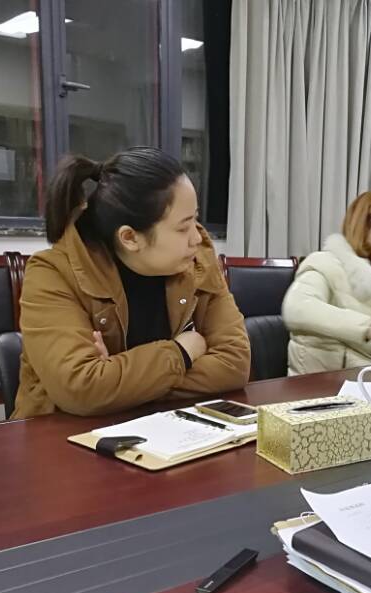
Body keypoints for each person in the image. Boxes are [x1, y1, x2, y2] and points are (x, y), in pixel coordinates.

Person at [14, 147, 250, 418]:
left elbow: (234, 364)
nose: (197, 238)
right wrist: (182, 352)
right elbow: (82, 388)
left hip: (164, 428)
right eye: (183, 227)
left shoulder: (197, 260)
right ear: (130, 238)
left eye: (195, 219)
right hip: (61, 435)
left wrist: (119, 383)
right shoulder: (52, 273)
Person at [282, 191, 371, 374]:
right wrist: (369, 327)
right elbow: (297, 307)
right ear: (364, 225)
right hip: (322, 388)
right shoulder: (326, 264)